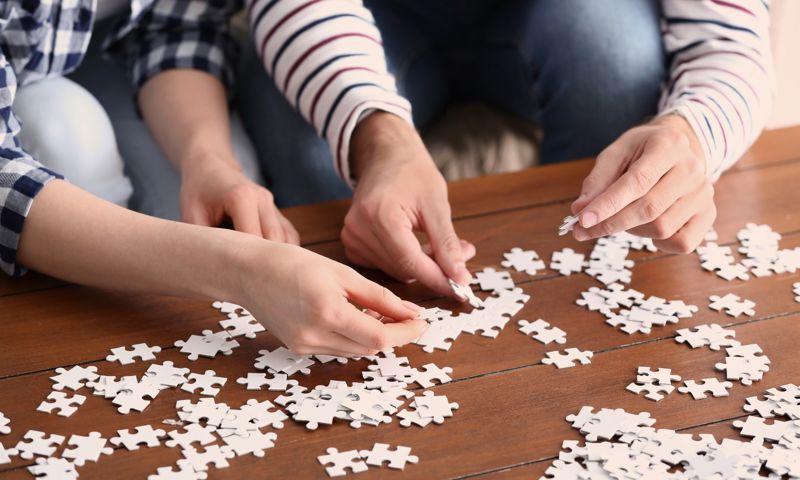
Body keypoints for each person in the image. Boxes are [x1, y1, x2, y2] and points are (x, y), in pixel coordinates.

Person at [0, 0, 427, 356]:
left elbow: (175, 27)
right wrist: (241, 269)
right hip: (32, 92)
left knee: (222, 197)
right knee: (66, 133)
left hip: (108, 51)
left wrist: (208, 161)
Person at [245, 0, 773, 283]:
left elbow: (728, 38)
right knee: (307, 140)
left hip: (566, 17)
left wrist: (691, 133)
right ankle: (348, 299)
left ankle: (590, 279)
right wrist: (375, 134)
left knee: (615, 60)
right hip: (363, 19)